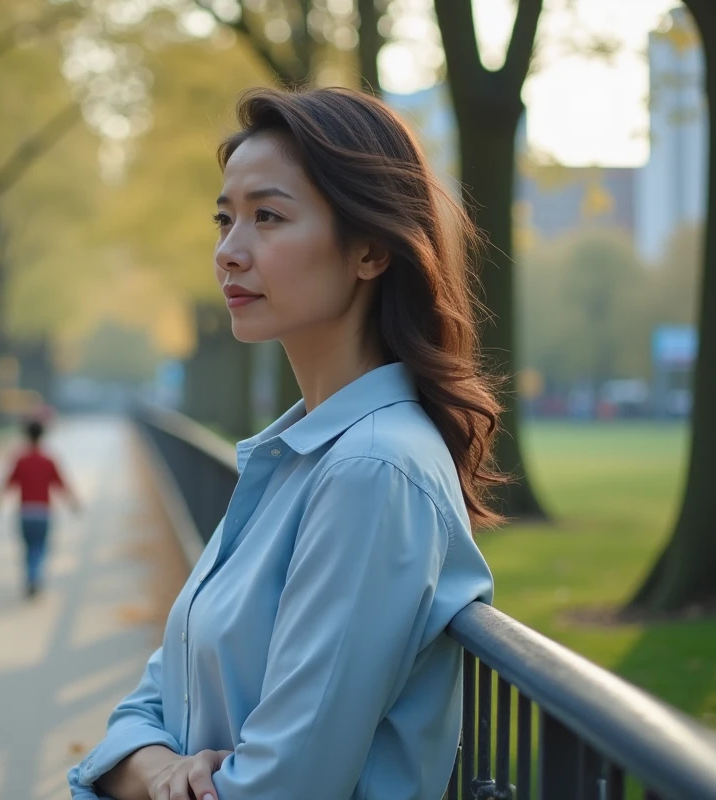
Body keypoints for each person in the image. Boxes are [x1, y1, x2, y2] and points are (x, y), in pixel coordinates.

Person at [68, 87, 499, 799]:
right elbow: (147, 708)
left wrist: (145, 778)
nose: (228, 253)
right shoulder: (296, 457)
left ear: (370, 249)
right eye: (225, 219)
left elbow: (280, 787)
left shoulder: (371, 471)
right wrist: (161, 774)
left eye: (267, 217)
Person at [0, 418, 80, 598]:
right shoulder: (48, 460)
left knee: (28, 547)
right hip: (43, 512)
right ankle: (34, 576)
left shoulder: (20, 460)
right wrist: (73, 503)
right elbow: (61, 484)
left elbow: (8, 483)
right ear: (42, 436)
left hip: (25, 512)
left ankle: (30, 576)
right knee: (40, 546)